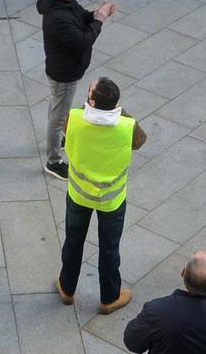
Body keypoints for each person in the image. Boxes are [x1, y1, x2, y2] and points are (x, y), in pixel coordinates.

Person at [56, 75, 147, 314]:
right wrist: (117, 110)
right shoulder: (128, 125)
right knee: (109, 247)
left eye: (89, 93)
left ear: (92, 103)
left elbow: (66, 129)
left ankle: (66, 289)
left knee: (73, 241)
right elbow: (140, 141)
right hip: (111, 200)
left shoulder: (75, 117)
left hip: (79, 194)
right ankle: (109, 297)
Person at [38, 0, 115, 179]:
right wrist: (99, 20)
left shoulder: (63, 2)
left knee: (57, 105)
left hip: (65, 69)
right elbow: (83, 41)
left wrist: (97, 14)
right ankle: (53, 161)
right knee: (59, 114)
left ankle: (56, 139)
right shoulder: (57, 18)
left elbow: (81, 17)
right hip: (64, 73)